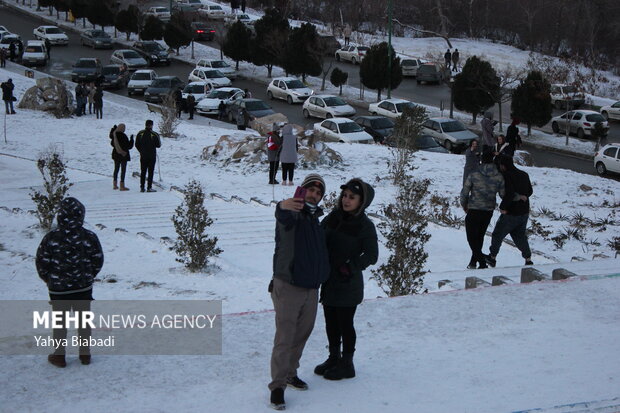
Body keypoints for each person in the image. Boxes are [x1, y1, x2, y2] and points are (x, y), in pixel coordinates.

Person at [268, 173, 330, 411]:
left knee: (301, 335)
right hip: (289, 285)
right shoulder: (293, 213)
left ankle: (290, 374)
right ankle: (277, 387)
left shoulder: (315, 220)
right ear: (302, 191)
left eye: (318, 192)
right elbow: (283, 216)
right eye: (310, 190)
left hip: (311, 288)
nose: (314, 195)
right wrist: (282, 206)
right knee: (285, 338)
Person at [315, 178, 378, 381]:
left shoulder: (365, 226)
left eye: (352, 197)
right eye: (344, 196)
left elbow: (371, 255)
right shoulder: (333, 217)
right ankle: (334, 357)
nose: (346, 200)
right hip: (329, 280)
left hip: (348, 283)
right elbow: (318, 235)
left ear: (362, 202)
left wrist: (349, 267)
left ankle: (347, 363)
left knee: (345, 323)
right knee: (330, 322)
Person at [35, 197, 104, 368]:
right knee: (83, 321)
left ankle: (59, 356)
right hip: (83, 287)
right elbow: (97, 259)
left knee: (60, 323)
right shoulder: (89, 236)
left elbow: (42, 261)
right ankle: (85, 354)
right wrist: (89, 275)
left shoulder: (51, 238)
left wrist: (48, 279)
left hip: (59, 289)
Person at [486, 156, 534, 267]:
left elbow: (509, 194)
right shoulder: (524, 174)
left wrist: (502, 207)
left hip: (511, 212)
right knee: (519, 236)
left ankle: (492, 257)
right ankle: (528, 259)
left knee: (498, 234)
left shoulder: (507, 176)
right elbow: (530, 191)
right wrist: (523, 196)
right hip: (524, 211)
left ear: (503, 165)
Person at [460, 151, 505, 269]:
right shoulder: (499, 176)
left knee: (471, 237)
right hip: (488, 210)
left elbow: (465, 191)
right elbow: (503, 194)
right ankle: (473, 262)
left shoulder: (474, 174)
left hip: (474, 208)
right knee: (480, 236)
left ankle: (482, 261)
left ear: (481, 160)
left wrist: (464, 204)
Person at [135, 119, 161, 193]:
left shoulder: (140, 133)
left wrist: (141, 151)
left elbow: (136, 144)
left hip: (143, 155)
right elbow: (158, 145)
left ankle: (142, 187)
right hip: (151, 155)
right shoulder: (154, 134)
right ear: (152, 125)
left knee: (143, 171)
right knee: (150, 171)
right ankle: (149, 187)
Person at [109, 123, 134, 191]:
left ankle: (115, 184)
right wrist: (132, 140)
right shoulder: (123, 136)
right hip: (123, 155)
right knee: (123, 170)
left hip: (116, 154)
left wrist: (113, 130)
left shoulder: (114, 135)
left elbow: (112, 143)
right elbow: (129, 146)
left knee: (116, 169)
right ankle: (122, 185)